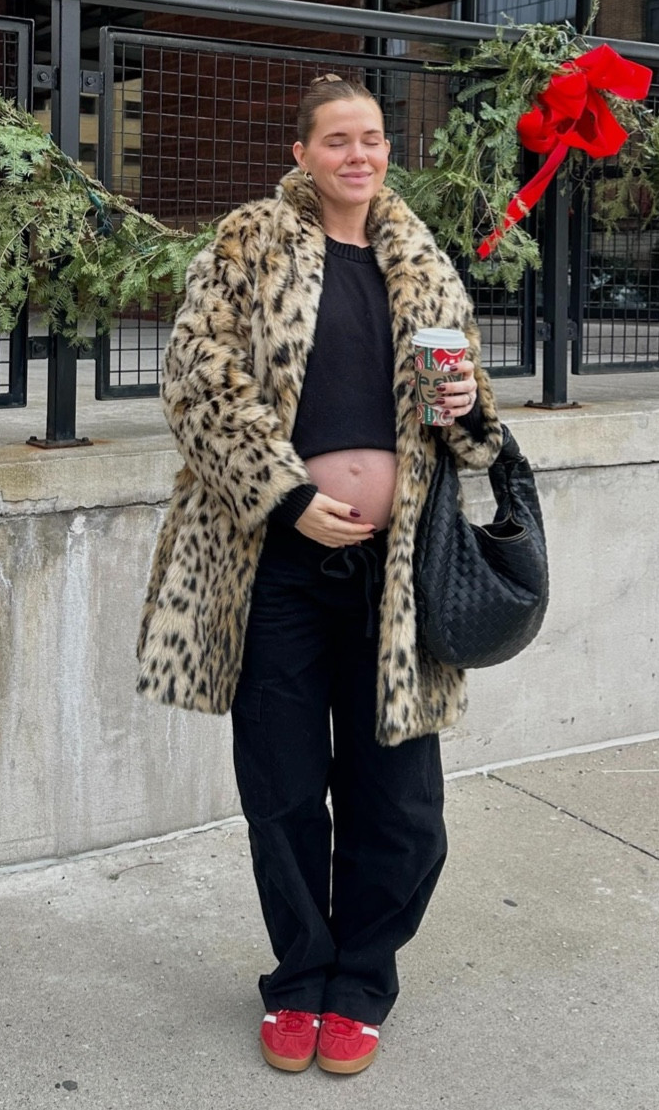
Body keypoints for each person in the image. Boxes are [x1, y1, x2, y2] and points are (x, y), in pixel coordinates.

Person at [136, 74, 504, 1075]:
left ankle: (363, 976)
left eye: (372, 138)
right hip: (278, 566)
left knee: (401, 801)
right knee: (286, 787)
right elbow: (194, 381)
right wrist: (290, 495)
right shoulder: (248, 243)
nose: (357, 155)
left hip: (398, 578)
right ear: (301, 154)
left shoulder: (419, 261)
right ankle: (300, 976)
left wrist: (469, 405)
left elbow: (469, 428)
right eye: (336, 139)